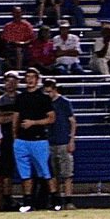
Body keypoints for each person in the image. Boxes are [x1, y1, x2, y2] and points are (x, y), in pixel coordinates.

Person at [11, 68, 56, 212]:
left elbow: (51, 118)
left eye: (32, 77)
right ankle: (28, 201)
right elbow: (16, 117)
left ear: (37, 79)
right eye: (27, 77)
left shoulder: (43, 98)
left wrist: (33, 123)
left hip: (39, 140)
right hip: (22, 140)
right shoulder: (21, 97)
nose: (30, 80)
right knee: (25, 173)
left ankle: (55, 200)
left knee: (46, 171)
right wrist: (15, 136)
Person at [44, 79, 76, 210]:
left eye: (49, 92)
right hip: (49, 142)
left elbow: (72, 122)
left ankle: (68, 200)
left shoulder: (64, 103)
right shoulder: (45, 104)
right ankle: (57, 200)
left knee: (67, 174)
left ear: (55, 89)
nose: (48, 95)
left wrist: (71, 139)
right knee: (54, 174)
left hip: (63, 141)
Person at [0, 72, 20, 211]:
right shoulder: (0, 101)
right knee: (6, 171)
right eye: (8, 81)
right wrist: (16, 117)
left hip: (25, 137)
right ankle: (7, 200)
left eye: (13, 81)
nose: (10, 84)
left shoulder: (22, 98)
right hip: (7, 138)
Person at [2, 6, 35, 71]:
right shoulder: (8, 26)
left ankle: (19, 69)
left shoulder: (27, 25)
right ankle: (18, 69)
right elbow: (6, 39)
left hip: (25, 46)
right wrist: (16, 43)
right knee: (17, 50)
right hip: (11, 47)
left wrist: (24, 43)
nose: (17, 14)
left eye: (19, 13)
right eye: (16, 13)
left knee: (20, 50)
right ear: (12, 14)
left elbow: (31, 38)